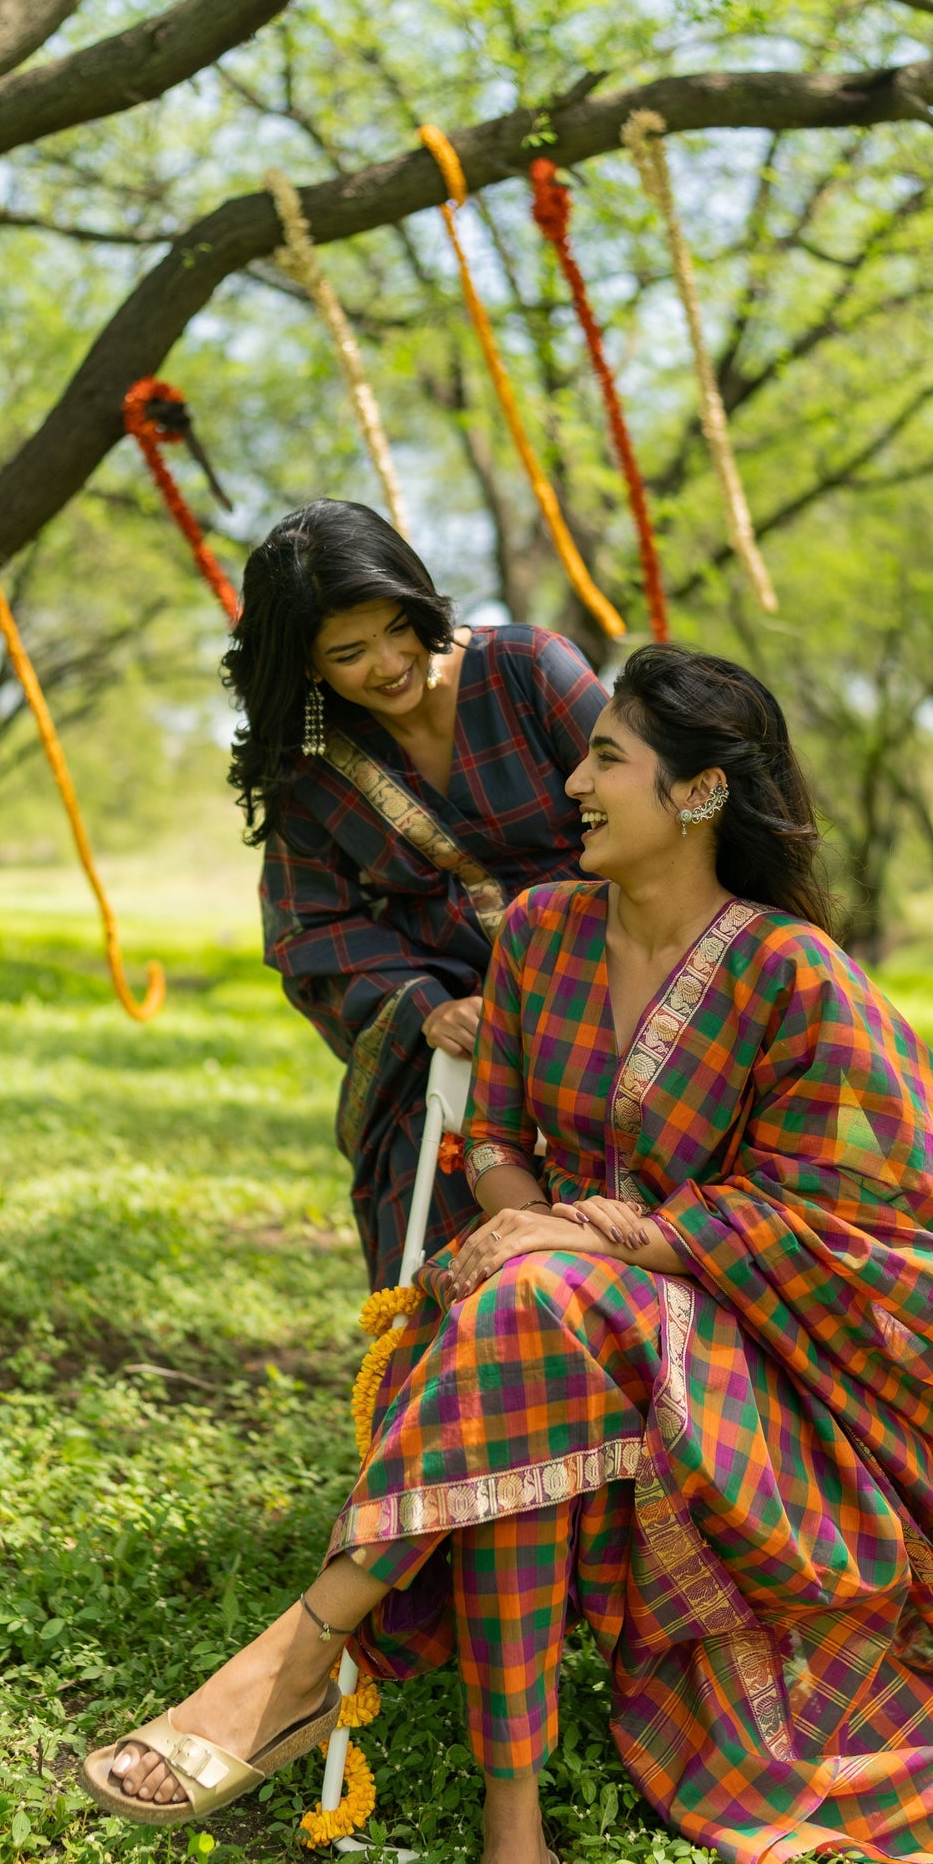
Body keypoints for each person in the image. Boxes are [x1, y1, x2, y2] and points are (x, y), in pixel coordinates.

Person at [84, 646, 933, 1864]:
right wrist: (525, 1219)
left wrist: (581, 1234)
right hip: (567, 1342)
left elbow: (840, 1214)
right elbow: (498, 1137)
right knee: (535, 1321)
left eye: (607, 759)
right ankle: (506, 1847)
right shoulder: (543, 938)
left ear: (696, 794)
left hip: (753, 1381)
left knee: (536, 1302)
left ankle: (310, 1660)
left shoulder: (787, 974)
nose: (570, 782)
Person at [222, 498, 608, 1285]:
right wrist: (425, 1005)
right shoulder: (310, 759)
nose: (390, 662)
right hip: (450, 1051)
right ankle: (444, 1404)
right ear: (306, 664)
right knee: (438, 1251)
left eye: (397, 626)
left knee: (615, 1244)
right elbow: (308, 928)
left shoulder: (531, 669)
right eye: (349, 652)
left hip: (612, 1005)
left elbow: (657, 816)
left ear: (416, 597)